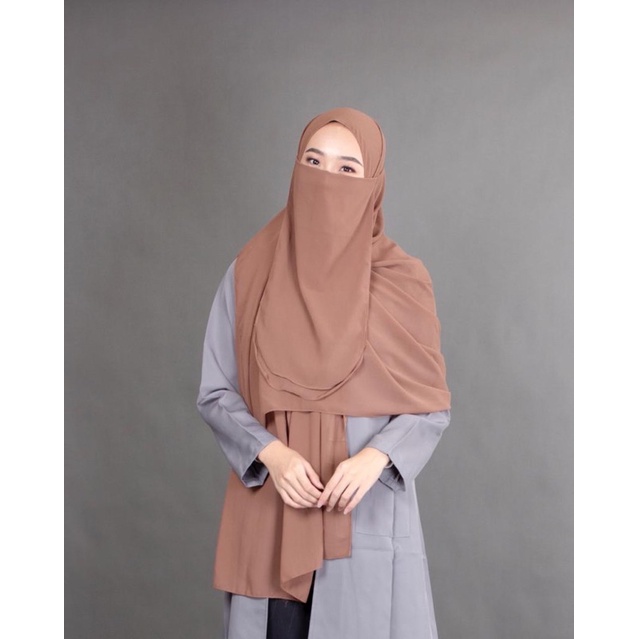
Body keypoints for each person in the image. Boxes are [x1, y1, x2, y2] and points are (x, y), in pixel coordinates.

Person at [196, 107, 452, 639]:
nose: (325, 178)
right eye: (313, 162)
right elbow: (217, 391)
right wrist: (272, 454)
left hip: (364, 515)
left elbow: (429, 406)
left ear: (372, 183)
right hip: (272, 516)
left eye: (346, 169)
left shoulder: (403, 282)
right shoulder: (250, 273)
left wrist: (376, 459)